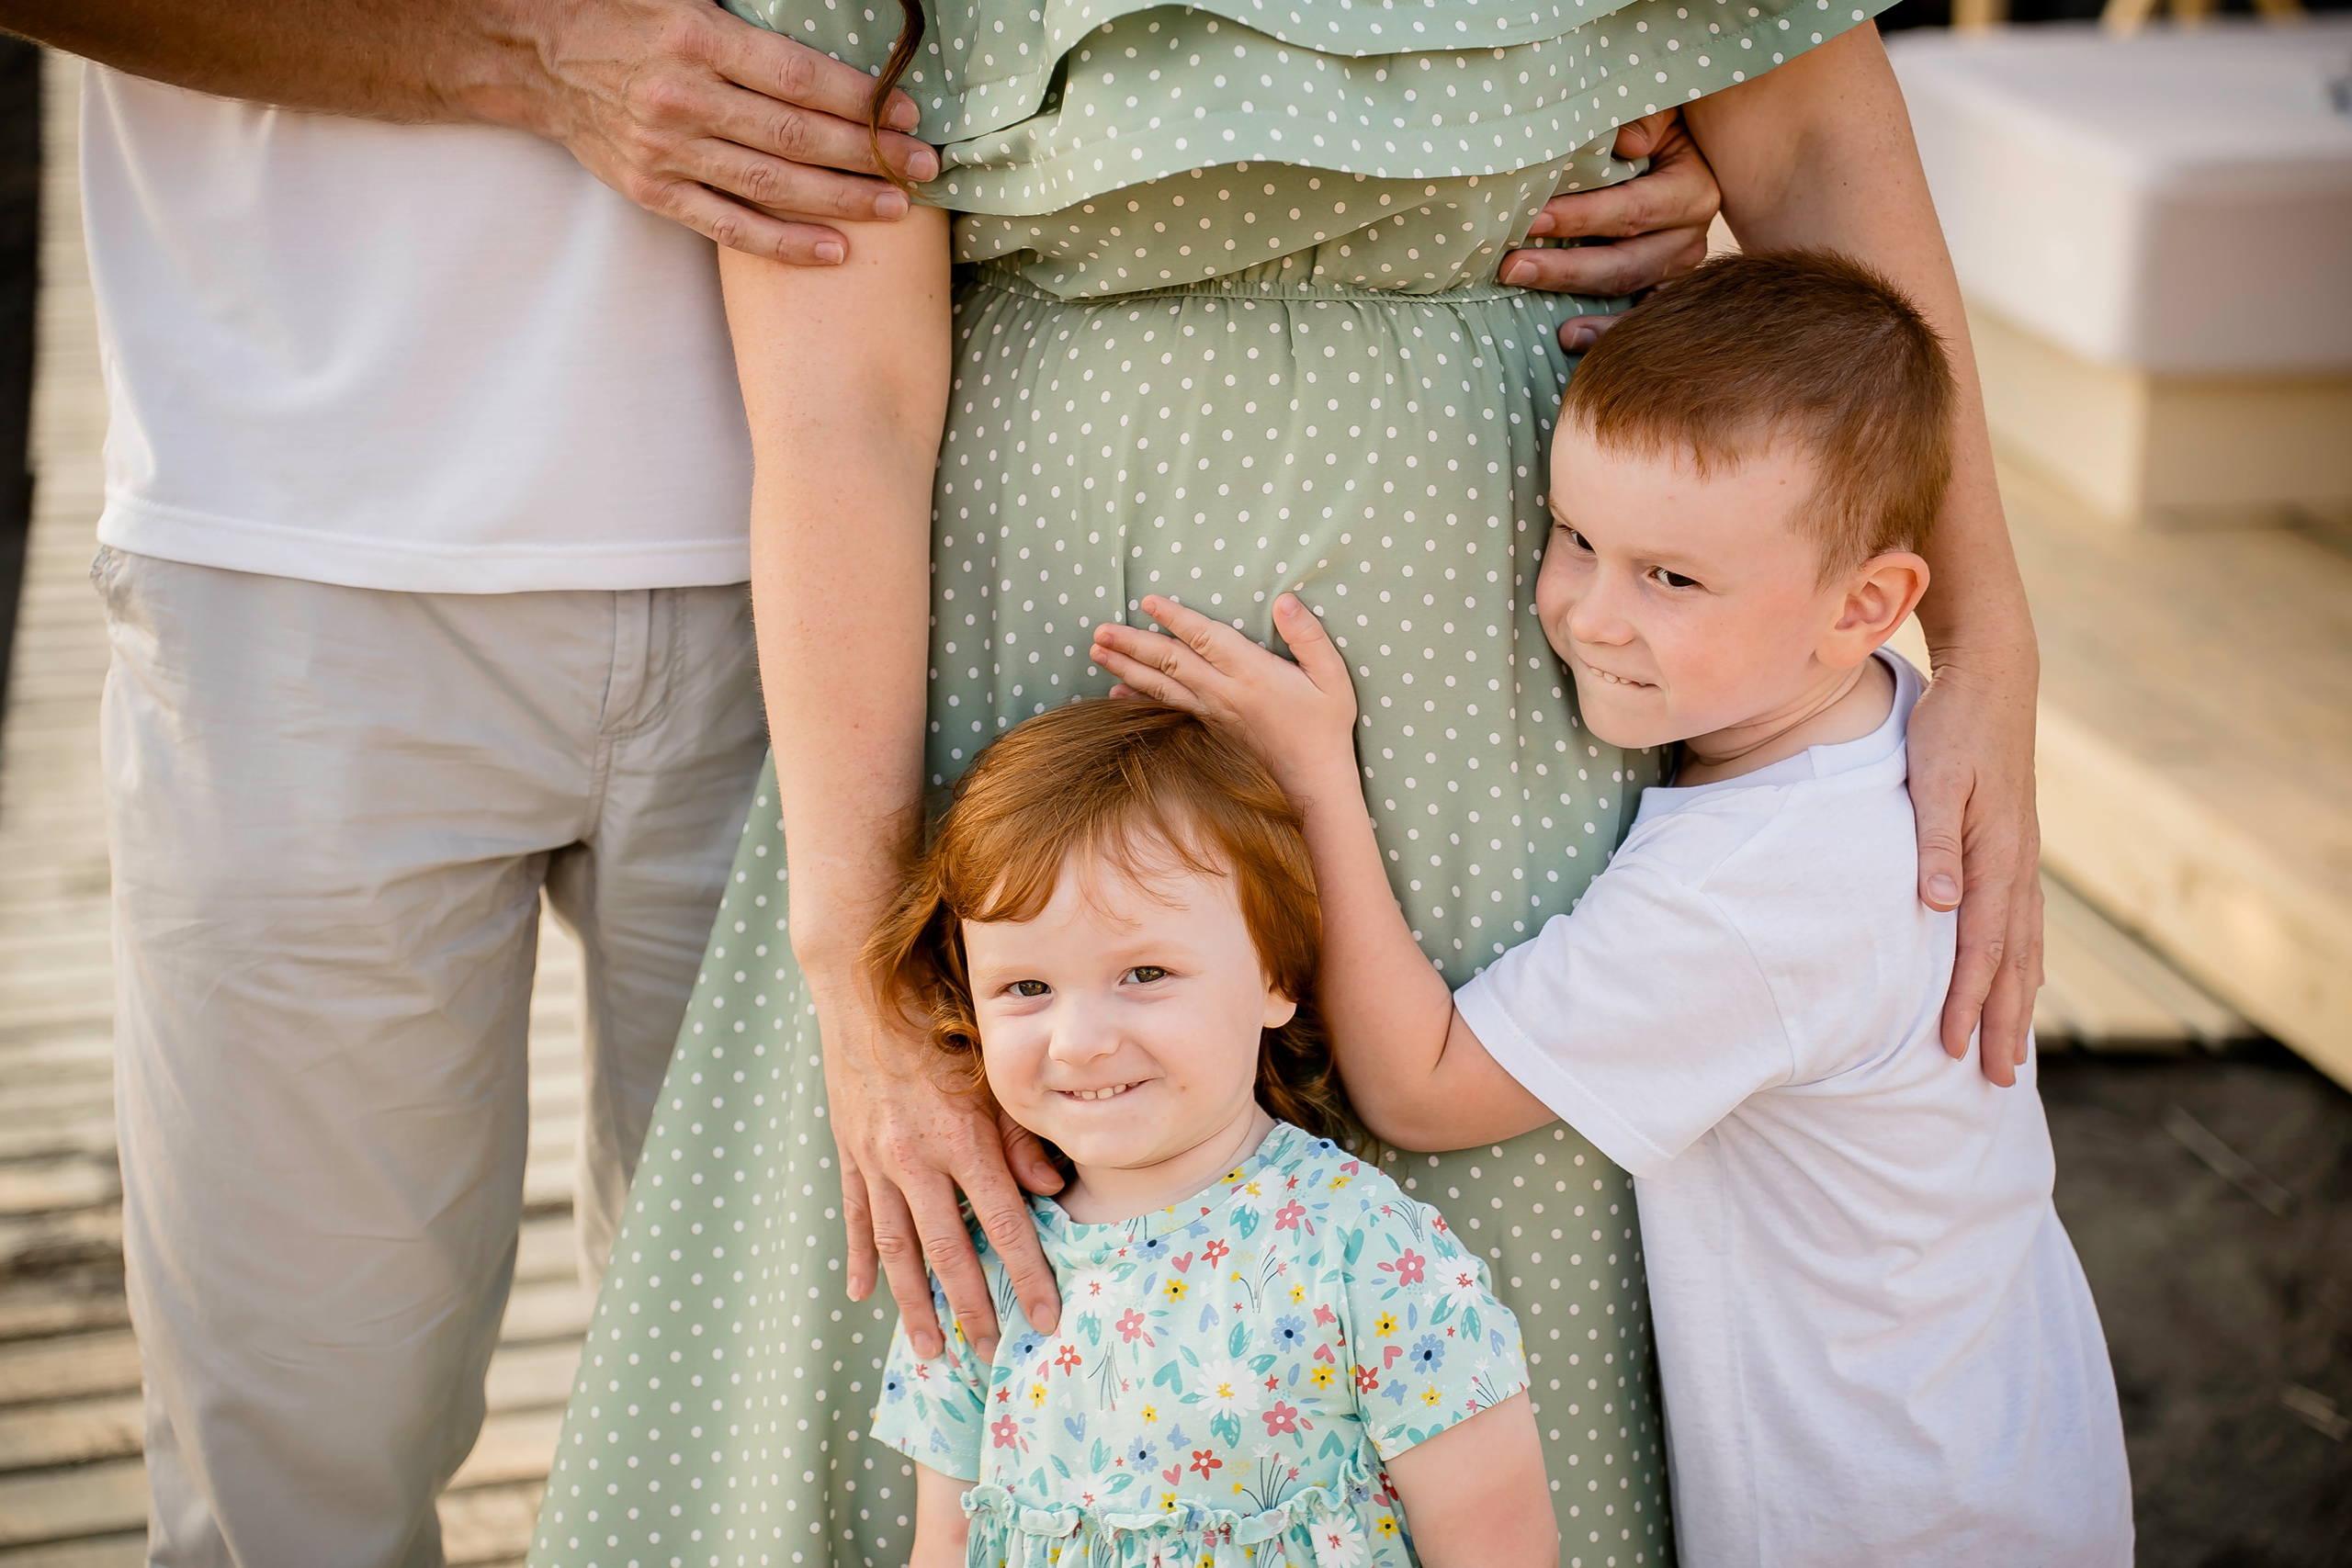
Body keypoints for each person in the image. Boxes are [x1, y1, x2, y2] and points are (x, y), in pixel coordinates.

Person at [0, 2, 1718, 1559]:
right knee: (293, 1429)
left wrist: (1570, 106)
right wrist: (523, 55)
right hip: (317, 547)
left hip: (856, 619)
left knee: (776, 1391)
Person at [527, 2, 2048, 1565]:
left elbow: (1806, 135)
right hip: (1046, 665)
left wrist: (1991, 641)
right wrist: (858, 962)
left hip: (1499, 714)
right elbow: (839, 405)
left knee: (1499, 1250)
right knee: (1006, 1264)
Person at [1091, 252, 2132, 1565]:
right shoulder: (1869, 735)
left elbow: (1422, 1089)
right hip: (2001, 1432)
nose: (1588, 613)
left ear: (1865, 604)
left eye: (1671, 579)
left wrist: (1313, 770)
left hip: (1888, 1510)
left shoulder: (1755, 895)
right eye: (1576, 535)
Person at [861, 699, 1553, 1568]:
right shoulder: (983, 1266)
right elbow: (947, 1543)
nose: (1079, 1040)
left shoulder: (1364, 1247)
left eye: (1144, 973)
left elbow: (1499, 1544)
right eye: (1026, 988)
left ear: (1274, 973)